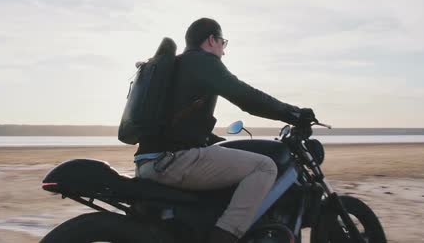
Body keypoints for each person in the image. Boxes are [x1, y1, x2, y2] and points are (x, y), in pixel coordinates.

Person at [134, 18, 315, 243]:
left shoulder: (178, 66)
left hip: (150, 161)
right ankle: (226, 236)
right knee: (265, 167)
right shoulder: (203, 62)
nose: (223, 51)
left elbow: (177, 123)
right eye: (223, 43)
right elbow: (246, 97)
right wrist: (294, 114)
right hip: (173, 161)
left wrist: (210, 138)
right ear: (211, 40)